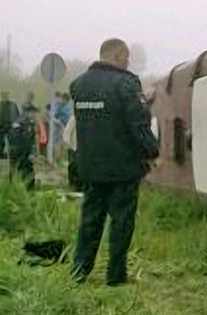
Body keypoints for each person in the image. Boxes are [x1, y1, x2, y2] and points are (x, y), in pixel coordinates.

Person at [70, 38, 159, 286]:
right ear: (119, 55)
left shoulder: (79, 85)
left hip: (90, 166)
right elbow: (137, 124)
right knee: (121, 221)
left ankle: (79, 271)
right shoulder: (126, 84)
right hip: (122, 168)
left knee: (90, 220)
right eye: (126, 58)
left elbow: (98, 119)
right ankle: (116, 276)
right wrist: (153, 151)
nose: (128, 63)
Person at [8, 108, 37, 190]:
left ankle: (20, 186)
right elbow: (26, 142)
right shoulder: (21, 127)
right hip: (21, 153)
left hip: (20, 153)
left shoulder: (26, 125)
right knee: (21, 170)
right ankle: (22, 187)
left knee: (19, 170)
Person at [62, 113, 82, 192]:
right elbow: (67, 133)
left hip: (82, 148)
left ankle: (79, 184)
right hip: (74, 148)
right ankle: (72, 184)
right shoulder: (73, 119)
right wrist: (69, 145)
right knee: (73, 167)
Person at [0, 91, 21, 159]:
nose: (5, 97)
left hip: (10, 125)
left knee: (12, 140)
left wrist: (16, 124)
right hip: (1, 125)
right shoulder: (0, 105)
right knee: (1, 140)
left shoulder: (13, 105)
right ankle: (1, 153)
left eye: (6, 96)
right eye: (4, 96)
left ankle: (12, 154)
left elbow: (17, 115)